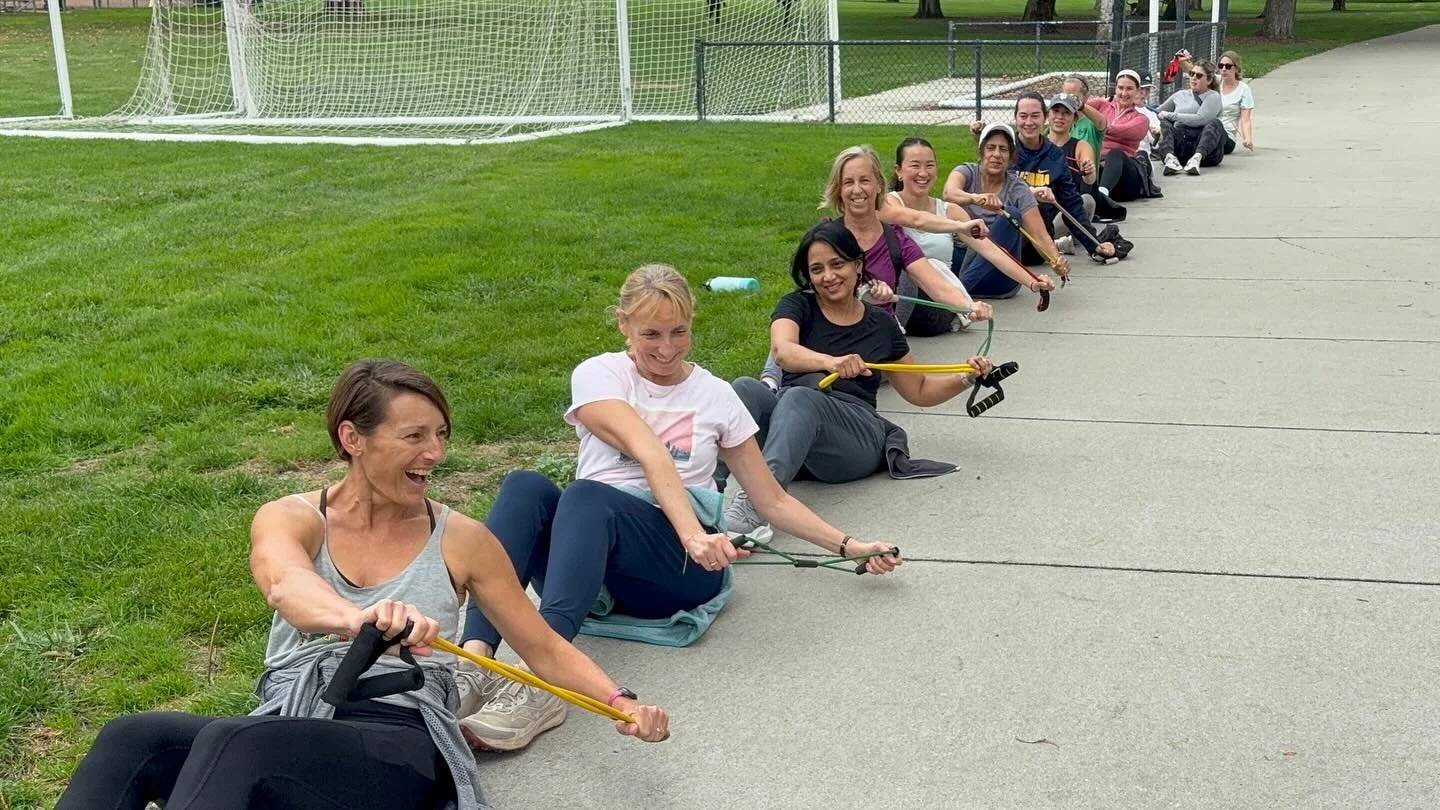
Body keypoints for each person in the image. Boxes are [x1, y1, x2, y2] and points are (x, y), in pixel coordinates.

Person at [55, 360, 670, 810]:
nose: (435, 453)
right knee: (134, 736)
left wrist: (620, 702)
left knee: (240, 743)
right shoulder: (292, 517)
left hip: (399, 738)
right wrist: (360, 619)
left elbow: (542, 648)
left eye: (441, 435)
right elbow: (285, 585)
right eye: (414, 437)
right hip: (293, 717)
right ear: (353, 438)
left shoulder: (460, 539)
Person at [459, 264, 901, 745]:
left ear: (693, 323)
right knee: (525, 486)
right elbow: (649, 452)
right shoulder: (598, 374)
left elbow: (769, 498)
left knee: (586, 496)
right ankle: (472, 664)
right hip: (592, 552)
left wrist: (848, 544)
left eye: (679, 332)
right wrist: (695, 531)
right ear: (622, 323)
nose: (666, 348)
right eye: (651, 333)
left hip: (676, 567)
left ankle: (540, 683)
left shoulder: (715, 396)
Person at [721, 220, 995, 535]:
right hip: (796, 431)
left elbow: (919, 390)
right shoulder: (797, 305)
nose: (828, 276)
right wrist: (832, 362)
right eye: (817, 269)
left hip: (853, 441)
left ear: (858, 265)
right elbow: (783, 351)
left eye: (837, 264)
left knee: (800, 398)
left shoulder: (881, 324)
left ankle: (757, 506)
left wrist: (965, 377)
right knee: (742, 388)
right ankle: (706, 494)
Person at [943, 122, 1065, 299]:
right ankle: (958, 289)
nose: (996, 155)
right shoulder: (966, 172)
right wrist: (976, 198)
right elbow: (949, 194)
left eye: (1003, 149)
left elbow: (1040, 235)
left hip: (999, 278)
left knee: (1011, 215)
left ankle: (958, 293)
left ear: (1011, 157)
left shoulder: (1017, 188)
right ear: (982, 151)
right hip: (963, 264)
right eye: (991, 148)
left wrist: (1056, 260)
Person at [969, 93, 1092, 266]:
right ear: (1016, 118)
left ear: (1044, 118)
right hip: (997, 226)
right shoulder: (1004, 150)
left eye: (1035, 116)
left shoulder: (1056, 156)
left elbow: (1071, 204)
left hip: (1035, 240)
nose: (1029, 122)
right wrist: (1031, 192)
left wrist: (1094, 245)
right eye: (1023, 116)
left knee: (1078, 203)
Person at [1085, 70, 1154, 218]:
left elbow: (1120, 131)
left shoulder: (1141, 119)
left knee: (1116, 153)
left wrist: (1098, 122)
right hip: (1099, 167)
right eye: (1120, 88)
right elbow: (1075, 108)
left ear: (1137, 92)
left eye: (1129, 89)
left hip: (1126, 178)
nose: (1124, 93)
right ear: (1115, 88)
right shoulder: (1100, 105)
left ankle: (1102, 197)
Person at [1157, 60, 1227, 176]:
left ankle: (1196, 159)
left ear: (1209, 80)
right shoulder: (1180, 95)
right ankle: (1170, 158)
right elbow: (1158, 112)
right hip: (1181, 145)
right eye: (1192, 74)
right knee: (1164, 122)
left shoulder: (1213, 97)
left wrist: (1172, 115)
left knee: (1215, 123)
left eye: (1199, 76)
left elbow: (1201, 119)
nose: (1194, 78)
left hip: (1205, 149)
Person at [1215, 50, 1256, 154]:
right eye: (1221, 66)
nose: (1224, 69)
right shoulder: (1215, 81)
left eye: (1228, 66)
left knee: (1214, 127)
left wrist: (1248, 138)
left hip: (1226, 137)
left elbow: (1245, 119)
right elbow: (1196, 73)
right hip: (1208, 130)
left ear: (1236, 68)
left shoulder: (1244, 89)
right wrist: (1183, 62)